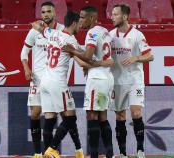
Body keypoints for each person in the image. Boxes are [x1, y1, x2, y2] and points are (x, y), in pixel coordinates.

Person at [20, 2, 83, 158]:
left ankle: (76, 149)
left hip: (53, 78)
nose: (45, 14)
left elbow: (72, 54)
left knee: (61, 115)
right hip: (39, 78)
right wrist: (27, 68)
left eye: (49, 11)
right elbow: (23, 53)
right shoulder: (35, 32)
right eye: (43, 12)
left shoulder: (60, 30)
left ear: (55, 13)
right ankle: (39, 153)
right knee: (37, 113)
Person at [63, 6, 115, 158]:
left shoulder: (92, 32)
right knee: (103, 117)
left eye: (83, 17)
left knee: (92, 116)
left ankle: (93, 155)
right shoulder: (105, 31)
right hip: (106, 78)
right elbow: (99, 56)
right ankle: (109, 154)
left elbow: (87, 55)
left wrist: (72, 50)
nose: (80, 20)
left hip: (97, 79)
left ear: (92, 18)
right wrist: (98, 62)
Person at [109, 3, 154, 158]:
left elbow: (150, 55)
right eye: (112, 14)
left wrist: (136, 57)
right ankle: (122, 153)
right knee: (120, 116)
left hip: (135, 80)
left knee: (136, 112)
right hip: (117, 81)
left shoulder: (137, 35)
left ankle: (140, 150)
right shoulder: (110, 35)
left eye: (115, 14)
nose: (112, 17)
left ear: (125, 16)